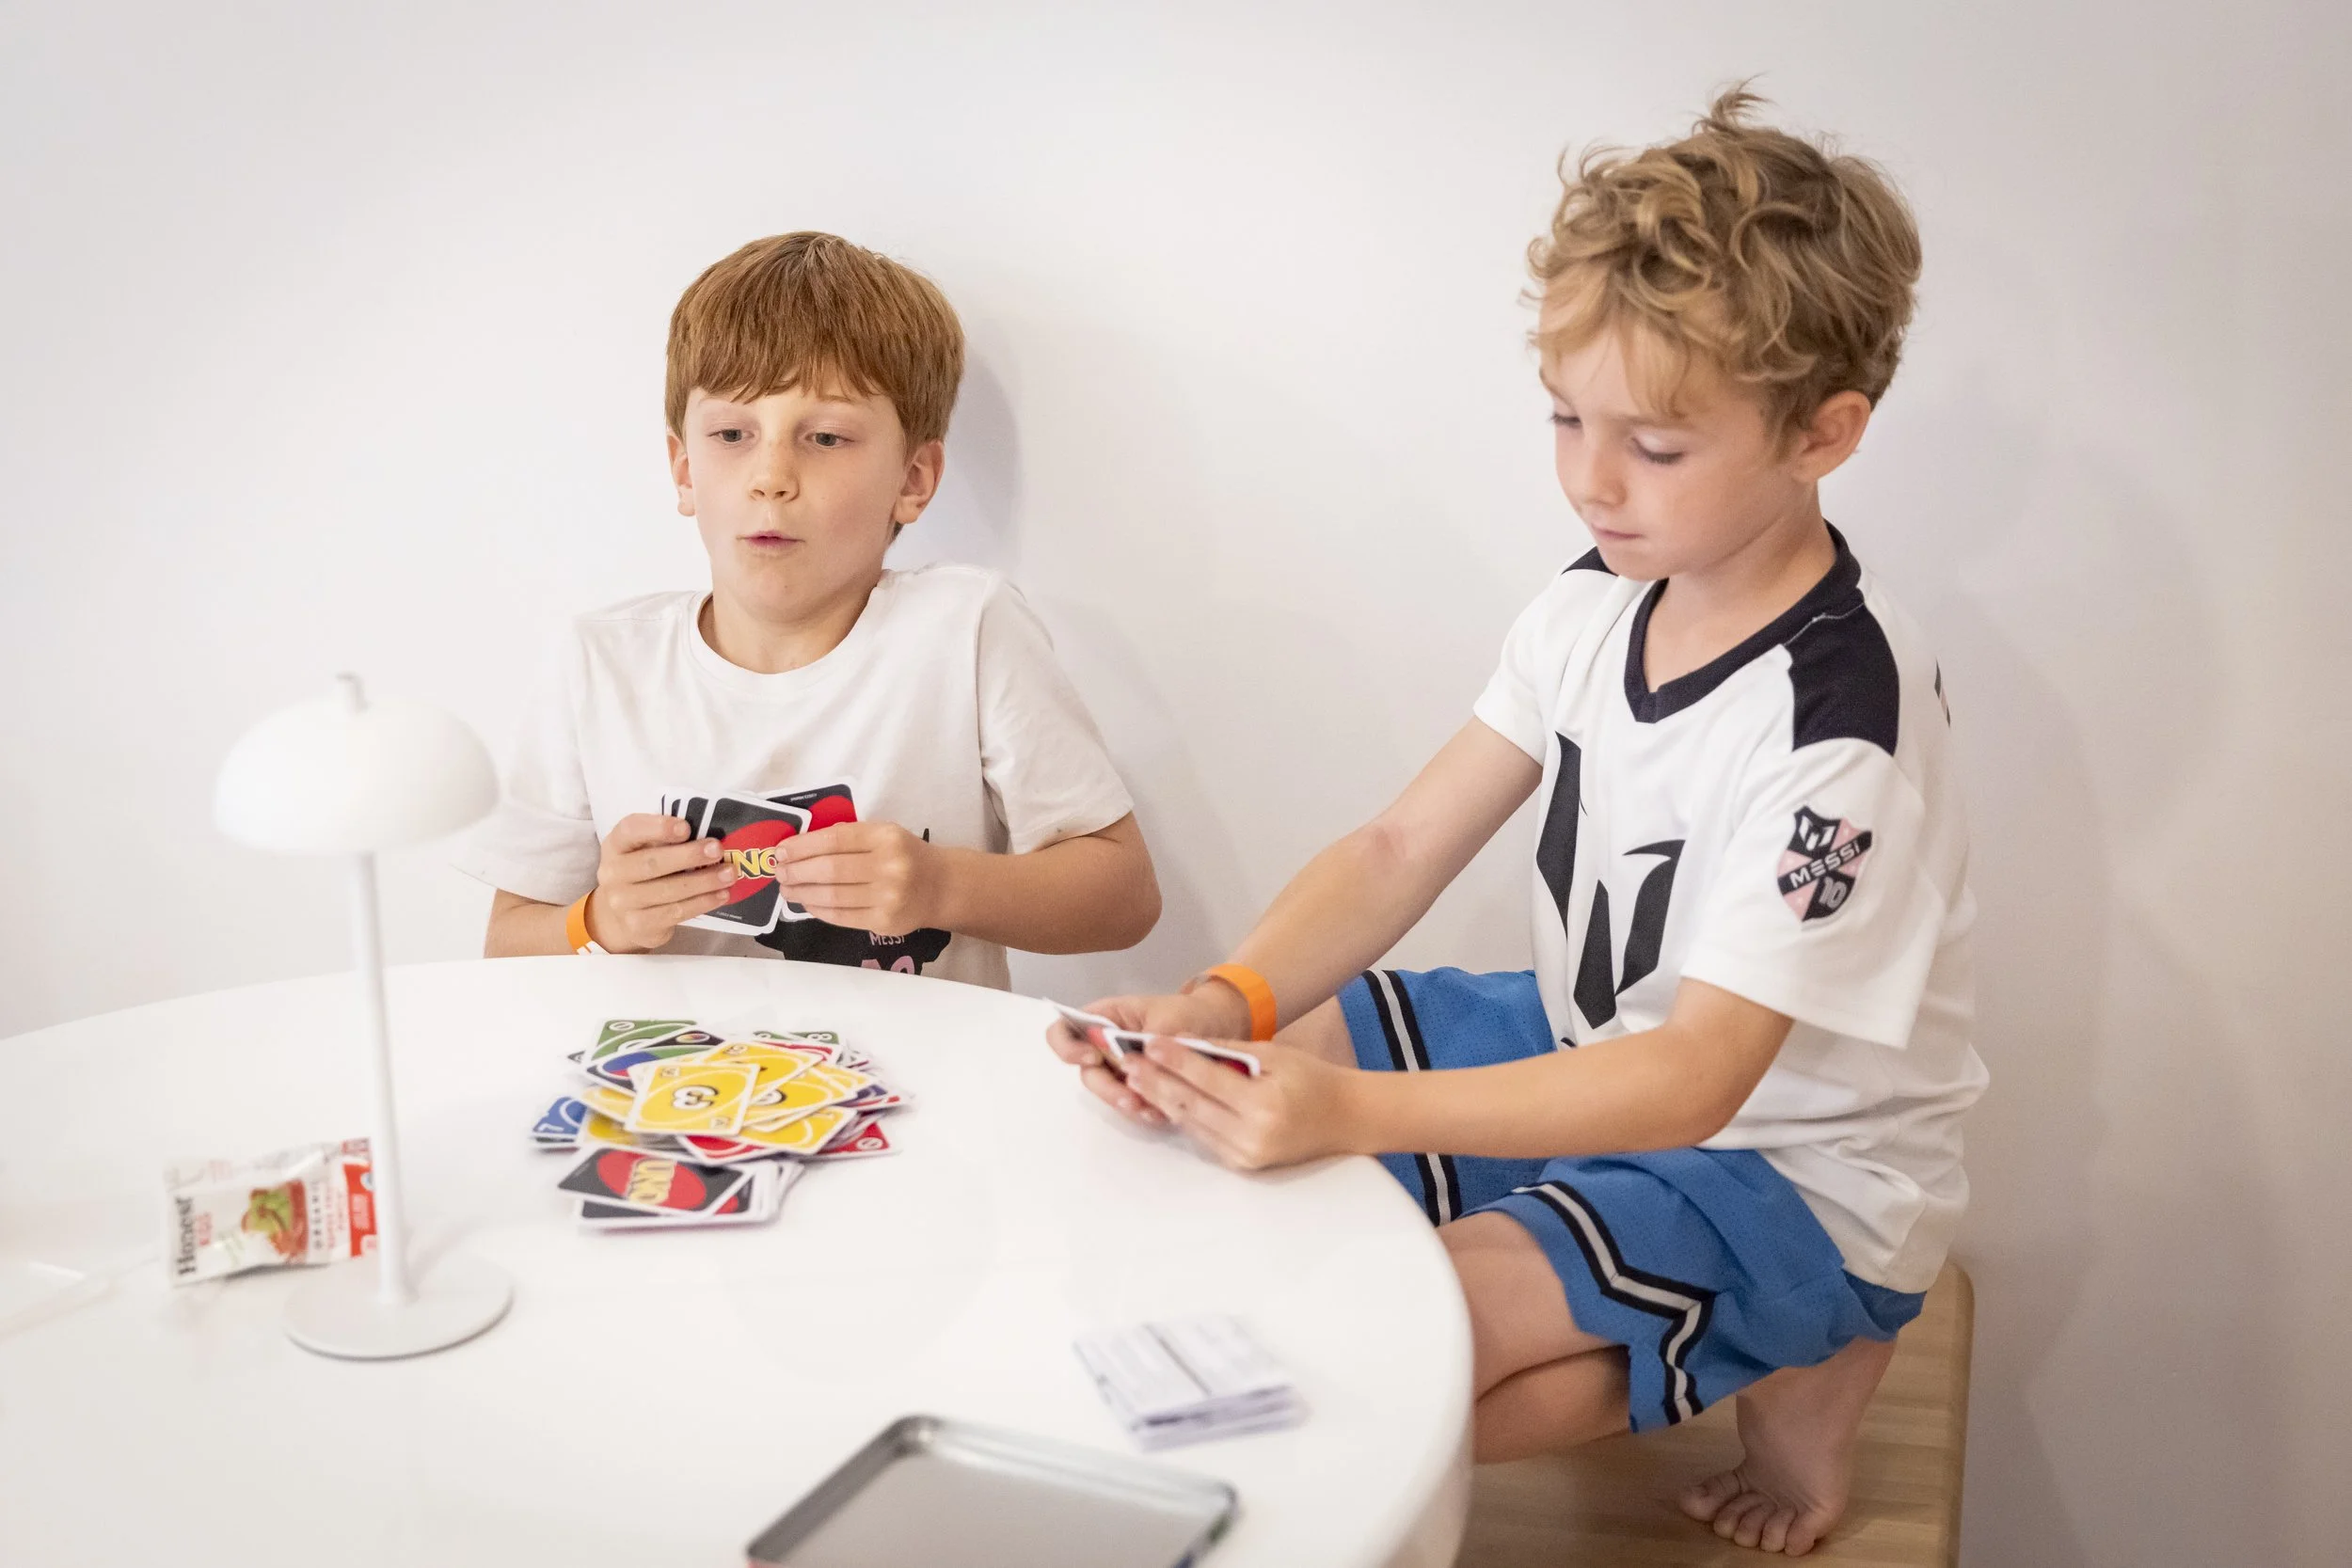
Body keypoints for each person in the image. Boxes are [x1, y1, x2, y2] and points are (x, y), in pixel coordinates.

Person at [1047, 89, 1984, 1557]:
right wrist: (1223, 1000)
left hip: (1787, 1159)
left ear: (1823, 433)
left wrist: (1354, 1116)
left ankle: (1816, 1341)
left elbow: (1697, 1079)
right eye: (1566, 418)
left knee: (1397, 1370)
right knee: (1235, 1077)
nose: (1590, 478)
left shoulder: (1834, 726)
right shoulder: (1595, 596)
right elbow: (1395, 849)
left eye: (1656, 445)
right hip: (1591, 1043)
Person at [460, 231, 1160, 986]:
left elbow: (1124, 896)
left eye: (825, 436)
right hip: (671, 1086)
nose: (771, 476)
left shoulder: (965, 630)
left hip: (920, 1082)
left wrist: (939, 884)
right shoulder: (599, 661)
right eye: (732, 434)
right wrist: (600, 920)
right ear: (684, 468)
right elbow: (508, 943)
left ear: (914, 479)